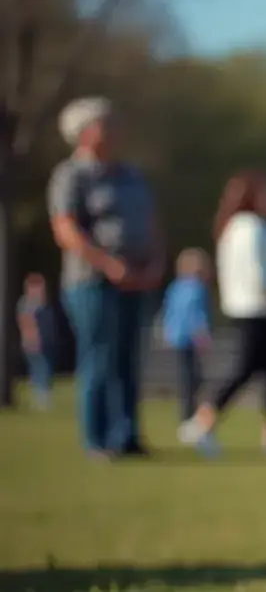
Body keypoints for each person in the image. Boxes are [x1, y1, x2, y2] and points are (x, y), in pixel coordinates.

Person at [48, 97, 164, 460]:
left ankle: (127, 436)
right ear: (84, 133)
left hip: (138, 279)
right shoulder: (71, 175)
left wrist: (156, 263)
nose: (114, 130)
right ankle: (96, 440)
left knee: (129, 358)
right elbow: (66, 229)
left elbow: (149, 222)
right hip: (92, 282)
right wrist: (108, 265)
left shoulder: (130, 174)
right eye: (105, 123)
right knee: (99, 357)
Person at [179, 171, 266, 456]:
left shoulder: (247, 228)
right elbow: (260, 275)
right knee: (246, 368)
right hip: (257, 309)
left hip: (265, 309)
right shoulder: (248, 229)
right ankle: (202, 421)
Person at [161, 248, 213, 428]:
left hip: (176, 338)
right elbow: (196, 314)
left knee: (186, 379)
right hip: (190, 339)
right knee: (193, 381)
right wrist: (202, 336)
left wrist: (167, 331)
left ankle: (187, 416)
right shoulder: (197, 288)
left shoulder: (175, 287)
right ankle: (190, 418)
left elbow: (169, 312)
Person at [17, 273, 57, 410]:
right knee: (41, 369)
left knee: (43, 369)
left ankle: (41, 396)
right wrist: (32, 339)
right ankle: (41, 399)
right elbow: (27, 322)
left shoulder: (41, 303)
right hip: (33, 343)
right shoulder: (29, 303)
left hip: (45, 342)